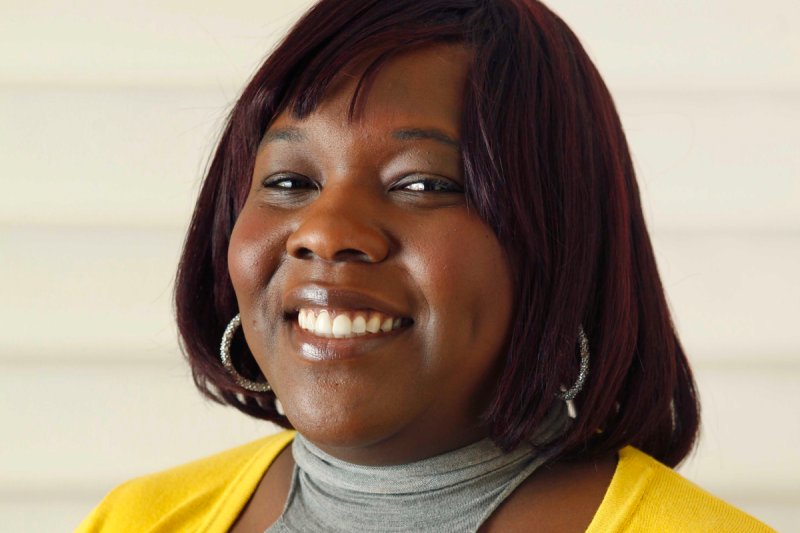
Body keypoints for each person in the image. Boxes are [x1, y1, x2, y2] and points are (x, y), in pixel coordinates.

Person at [77, 0, 774, 531]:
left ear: (562, 248)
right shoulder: (139, 518)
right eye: (290, 181)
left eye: (422, 183)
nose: (324, 233)